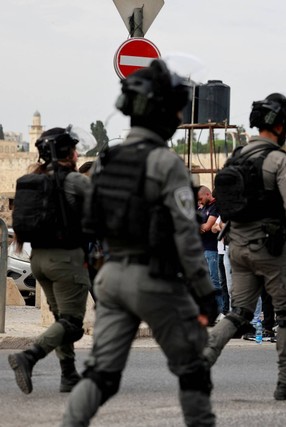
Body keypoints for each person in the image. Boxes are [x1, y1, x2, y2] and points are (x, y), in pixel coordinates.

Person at [62, 60, 217, 426]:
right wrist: (204, 290)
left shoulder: (106, 160)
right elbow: (186, 234)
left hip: (110, 278)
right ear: (162, 111)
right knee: (193, 369)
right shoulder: (165, 163)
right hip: (156, 280)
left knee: (101, 374)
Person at [204, 93, 286, 400]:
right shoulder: (279, 160)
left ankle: (200, 362)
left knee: (238, 311)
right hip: (270, 247)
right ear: (280, 126)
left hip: (235, 245)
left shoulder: (237, 156)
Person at [9, 127, 90, 395]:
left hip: (39, 260)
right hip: (66, 260)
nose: (78, 154)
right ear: (67, 153)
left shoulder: (35, 178)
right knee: (72, 324)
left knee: (60, 320)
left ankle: (68, 375)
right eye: (74, 149)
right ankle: (29, 357)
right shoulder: (73, 180)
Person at [197, 186, 223, 315]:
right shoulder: (204, 207)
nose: (200, 202)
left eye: (201, 199)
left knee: (215, 281)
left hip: (212, 249)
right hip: (203, 248)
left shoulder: (214, 206)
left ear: (207, 194)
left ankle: (220, 310)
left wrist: (199, 226)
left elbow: (207, 227)